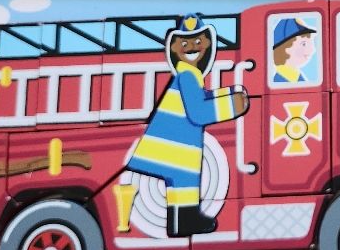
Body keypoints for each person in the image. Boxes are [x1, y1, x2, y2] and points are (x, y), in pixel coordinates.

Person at [127, 14, 248, 237]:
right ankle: (185, 220)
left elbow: (202, 98)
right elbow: (198, 112)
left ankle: (181, 222)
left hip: (174, 144)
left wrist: (230, 94)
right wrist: (233, 106)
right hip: (174, 146)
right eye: (185, 44)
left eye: (198, 42)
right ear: (174, 48)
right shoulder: (187, 77)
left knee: (181, 184)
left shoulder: (189, 75)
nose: (192, 47)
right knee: (185, 182)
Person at [271, 17, 317, 83]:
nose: (312, 50)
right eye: (303, 44)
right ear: (286, 48)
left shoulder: (297, 77)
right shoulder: (279, 81)